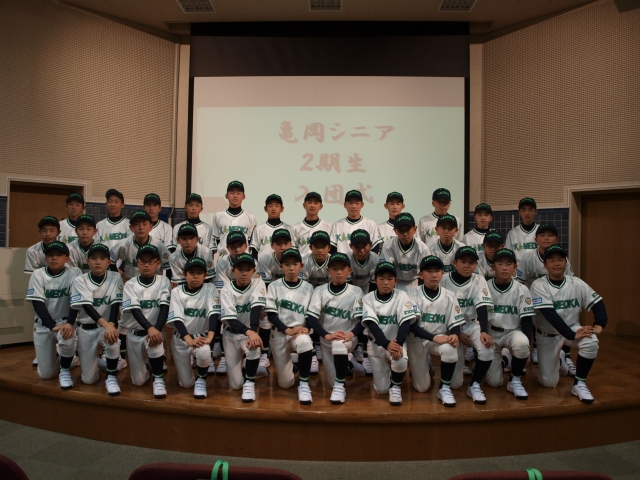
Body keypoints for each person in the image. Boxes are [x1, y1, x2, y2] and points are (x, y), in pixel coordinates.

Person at [530, 245, 608, 403]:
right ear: (545, 265)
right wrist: (571, 335)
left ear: (566, 263)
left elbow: (598, 303)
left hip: (572, 328)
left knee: (591, 341)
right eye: (552, 260)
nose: (557, 263)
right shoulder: (538, 285)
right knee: (548, 383)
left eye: (560, 260)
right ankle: (559, 359)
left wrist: (599, 326)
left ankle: (579, 384)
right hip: (547, 334)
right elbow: (550, 315)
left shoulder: (576, 283)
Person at [306, 253, 365, 404]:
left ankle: (340, 386)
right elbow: (312, 318)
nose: (338, 272)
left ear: (349, 271)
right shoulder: (320, 291)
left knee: (339, 347)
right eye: (334, 268)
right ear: (328, 271)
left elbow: (362, 321)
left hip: (347, 339)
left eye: (342, 268)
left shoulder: (356, 291)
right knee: (332, 383)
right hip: (327, 340)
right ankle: (349, 364)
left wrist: (351, 334)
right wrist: (326, 335)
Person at [407, 255, 465, 407]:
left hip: (439, 339)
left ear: (442, 273)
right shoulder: (411, 295)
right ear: (421, 275)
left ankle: (444, 388)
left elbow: (455, 322)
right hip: (416, 340)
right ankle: (427, 367)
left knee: (450, 352)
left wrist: (455, 335)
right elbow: (411, 325)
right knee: (422, 388)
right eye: (429, 271)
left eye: (437, 271)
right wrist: (434, 338)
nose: (434, 275)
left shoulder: (449, 296)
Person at [441, 246, 495, 404]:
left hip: (471, 325)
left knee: (486, 348)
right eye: (463, 261)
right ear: (454, 263)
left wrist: (484, 331)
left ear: (476, 265)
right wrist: (457, 333)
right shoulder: (444, 280)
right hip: (450, 328)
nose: (467, 265)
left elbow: (482, 306)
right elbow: (442, 310)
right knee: (455, 384)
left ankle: (475, 384)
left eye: (471, 262)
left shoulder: (479, 280)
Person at [69, 244, 123, 395]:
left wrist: (110, 325)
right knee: (89, 380)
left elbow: (115, 304)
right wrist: (107, 325)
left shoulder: (115, 277)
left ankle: (111, 377)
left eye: (102, 258)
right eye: (93, 258)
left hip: (105, 328)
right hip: (86, 328)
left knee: (113, 341)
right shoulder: (80, 280)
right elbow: (87, 306)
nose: (98, 262)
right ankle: (98, 362)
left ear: (108, 262)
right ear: (87, 261)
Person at [26, 241, 81, 388]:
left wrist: (70, 323)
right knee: (46, 374)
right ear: (46, 258)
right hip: (43, 324)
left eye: (58, 255)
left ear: (67, 258)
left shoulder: (74, 272)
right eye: (50, 255)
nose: (54, 258)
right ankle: (59, 356)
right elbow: (37, 303)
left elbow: (75, 301)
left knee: (67, 337)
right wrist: (51, 325)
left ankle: (65, 370)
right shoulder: (38, 274)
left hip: (64, 322)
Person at [264, 248, 316, 404]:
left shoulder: (309, 287)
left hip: (299, 333)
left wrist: (306, 328)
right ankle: (293, 367)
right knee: (286, 384)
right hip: (279, 333)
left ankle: (304, 384)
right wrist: (288, 330)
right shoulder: (273, 286)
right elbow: (271, 315)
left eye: (295, 264)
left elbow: (311, 314)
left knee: (304, 341)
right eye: (287, 264)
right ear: (281, 266)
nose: (291, 268)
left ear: (301, 266)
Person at [121, 244, 171, 398]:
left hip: (155, 331)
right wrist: (150, 328)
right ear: (137, 263)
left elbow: (164, 308)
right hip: (135, 334)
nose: (147, 265)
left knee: (155, 341)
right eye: (143, 261)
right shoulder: (130, 284)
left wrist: (155, 330)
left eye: (151, 261)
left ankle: (158, 378)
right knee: (139, 381)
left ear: (158, 263)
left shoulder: (163, 281)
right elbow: (135, 310)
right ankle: (150, 363)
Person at [167, 257, 220, 399]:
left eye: (199, 272)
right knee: (186, 384)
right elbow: (177, 319)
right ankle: (188, 374)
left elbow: (213, 313)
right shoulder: (177, 291)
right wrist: (189, 340)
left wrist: (210, 336)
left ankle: (201, 379)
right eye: (191, 272)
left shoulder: (210, 288)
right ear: (185, 275)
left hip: (201, 336)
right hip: (181, 339)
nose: (195, 276)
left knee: (204, 353)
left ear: (205, 275)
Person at [361, 261, 414, 406]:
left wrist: (398, 345)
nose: (386, 282)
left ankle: (396, 386)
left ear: (395, 281)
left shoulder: (402, 295)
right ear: (375, 280)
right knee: (382, 390)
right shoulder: (368, 298)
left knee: (400, 360)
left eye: (390, 279)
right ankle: (388, 376)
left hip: (396, 342)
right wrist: (386, 344)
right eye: (382, 278)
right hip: (376, 345)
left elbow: (406, 322)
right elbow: (372, 325)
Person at [484, 248, 533, 400]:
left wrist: (528, 349)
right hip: (491, 333)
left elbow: (527, 320)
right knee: (494, 383)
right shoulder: (485, 286)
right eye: (500, 263)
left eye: (508, 264)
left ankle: (515, 380)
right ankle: (505, 359)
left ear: (515, 267)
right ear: (493, 266)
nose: (504, 268)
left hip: (512, 332)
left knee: (522, 343)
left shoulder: (522, 289)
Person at [219, 253, 267, 403]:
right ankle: (252, 369)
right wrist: (251, 332)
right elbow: (229, 319)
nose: (244, 273)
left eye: (248, 269)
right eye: (240, 269)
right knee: (235, 385)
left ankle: (250, 382)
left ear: (254, 271)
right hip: (230, 335)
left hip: (247, 332)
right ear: (233, 271)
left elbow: (256, 308)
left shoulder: (258, 283)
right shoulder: (226, 290)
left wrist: (252, 332)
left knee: (254, 347)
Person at [256, 228, 294, 377]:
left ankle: (296, 351)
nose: (282, 246)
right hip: (272, 295)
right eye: (278, 243)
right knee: (265, 317)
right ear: (272, 245)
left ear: (291, 244)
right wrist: (264, 307)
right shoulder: (265, 259)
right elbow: (264, 285)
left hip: (290, 295)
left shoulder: (296, 258)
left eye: (285, 243)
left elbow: (298, 286)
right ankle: (264, 353)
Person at [110, 210, 171, 281]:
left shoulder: (158, 245)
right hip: (131, 283)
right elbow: (110, 261)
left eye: (144, 224)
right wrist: (118, 278)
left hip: (154, 284)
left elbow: (169, 267)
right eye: (136, 224)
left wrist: (167, 282)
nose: (141, 227)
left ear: (151, 226)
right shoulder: (123, 244)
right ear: (131, 228)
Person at [379, 213, 431, 292]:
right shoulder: (388, 246)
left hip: (416, 282)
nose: (405, 234)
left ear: (414, 229)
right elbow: (385, 270)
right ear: (395, 231)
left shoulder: (422, 248)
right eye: (401, 230)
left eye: (407, 229)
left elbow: (426, 273)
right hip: (395, 282)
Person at [212, 181, 257, 257]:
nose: (235, 196)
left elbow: (252, 243)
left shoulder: (250, 217)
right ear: (226, 196)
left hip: (244, 259)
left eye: (238, 193)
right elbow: (215, 241)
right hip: (224, 258)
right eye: (232, 193)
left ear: (243, 196)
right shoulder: (218, 216)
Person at [330, 190, 382, 254]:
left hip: (365, 260)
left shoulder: (370, 224)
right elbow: (333, 249)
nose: (354, 206)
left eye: (357, 203)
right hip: (342, 260)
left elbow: (375, 248)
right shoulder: (337, 225)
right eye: (350, 203)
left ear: (362, 205)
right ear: (345, 205)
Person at [290, 192, 332, 257]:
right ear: (304, 205)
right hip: (302, 263)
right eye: (309, 202)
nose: (312, 205)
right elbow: (293, 252)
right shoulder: (295, 228)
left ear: (321, 206)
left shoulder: (328, 226)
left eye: (316, 203)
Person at [505, 197, 538, 262]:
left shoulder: (541, 231)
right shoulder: (512, 233)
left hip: (538, 267)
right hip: (518, 268)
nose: (527, 213)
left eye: (530, 210)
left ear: (536, 211)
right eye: (523, 210)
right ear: (519, 212)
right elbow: (508, 255)